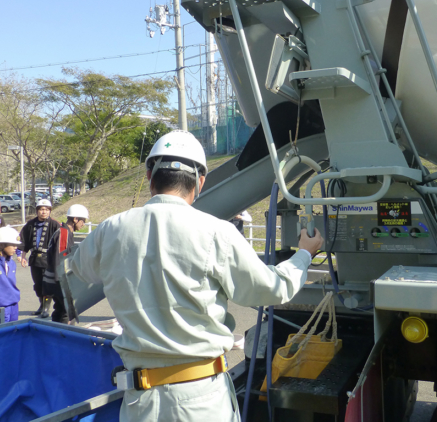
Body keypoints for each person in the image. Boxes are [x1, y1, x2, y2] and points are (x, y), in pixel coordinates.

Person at [67, 130, 323, 422]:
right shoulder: (217, 232)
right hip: (200, 399)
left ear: (150, 176)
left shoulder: (110, 229)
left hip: (139, 402)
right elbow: (272, 289)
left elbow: (81, 269)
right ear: (200, 182)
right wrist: (304, 254)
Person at [42, 204, 89, 324]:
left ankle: (55, 333)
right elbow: (62, 260)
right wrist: (65, 285)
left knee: (59, 310)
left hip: (55, 281)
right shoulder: (64, 233)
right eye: (82, 220)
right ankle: (63, 337)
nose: (83, 224)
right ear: (75, 219)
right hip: (58, 282)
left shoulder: (65, 232)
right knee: (67, 313)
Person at [20, 199, 61, 318]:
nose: (44, 212)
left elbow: (59, 243)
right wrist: (23, 256)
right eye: (42, 209)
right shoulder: (30, 224)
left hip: (48, 259)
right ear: (37, 211)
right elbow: (24, 240)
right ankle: (41, 305)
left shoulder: (55, 224)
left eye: (47, 209)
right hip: (34, 259)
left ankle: (46, 308)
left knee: (47, 284)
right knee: (37, 284)